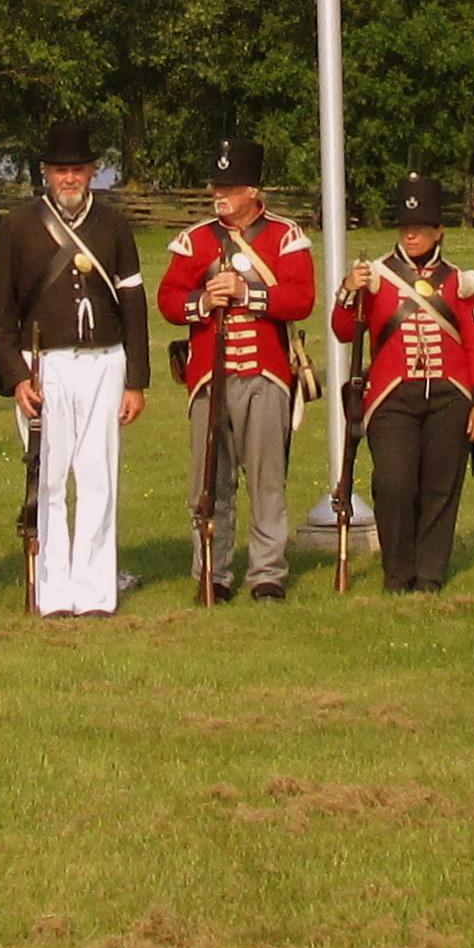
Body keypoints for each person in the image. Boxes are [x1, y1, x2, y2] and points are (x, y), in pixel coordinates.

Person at [0, 118, 147, 616]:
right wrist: (16, 375)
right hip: (45, 366)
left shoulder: (114, 224)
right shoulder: (18, 225)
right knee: (48, 478)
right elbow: (0, 309)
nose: (69, 179)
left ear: (92, 171)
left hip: (104, 362)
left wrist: (136, 381)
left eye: (77, 169)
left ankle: (96, 590)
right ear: (45, 174)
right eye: (60, 170)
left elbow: (134, 303)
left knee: (97, 475)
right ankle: (53, 590)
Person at [157, 138, 316, 602]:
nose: (219, 194)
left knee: (266, 480)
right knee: (208, 483)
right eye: (216, 185)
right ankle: (213, 572)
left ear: (253, 189)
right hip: (209, 376)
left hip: (265, 376)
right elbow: (168, 299)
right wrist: (204, 301)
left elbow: (301, 298)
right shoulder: (196, 240)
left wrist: (250, 296)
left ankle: (267, 573)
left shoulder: (286, 236)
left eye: (229, 186)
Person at [331, 172, 474, 593]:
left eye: (421, 228)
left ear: (438, 230)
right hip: (392, 396)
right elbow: (343, 330)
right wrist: (350, 291)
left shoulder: (458, 281)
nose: (412, 235)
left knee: (441, 487)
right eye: (406, 228)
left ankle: (429, 576)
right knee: (394, 483)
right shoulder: (377, 275)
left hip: (450, 395)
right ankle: (397, 573)